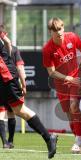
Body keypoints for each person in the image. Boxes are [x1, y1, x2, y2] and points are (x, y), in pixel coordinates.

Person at [0, 30, 57, 159]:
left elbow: (8, 42)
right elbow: (7, 43)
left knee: (20, 110)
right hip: (4, 77)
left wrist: (7, 62)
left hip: (6, 77)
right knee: (16, 110)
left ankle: (49, 138)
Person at [42, 17, 81, 154]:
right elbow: (51, 72)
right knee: (69, 115)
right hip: (61, 84)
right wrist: (66, 77)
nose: (59, 32)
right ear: (50, 32)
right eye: (56, 30)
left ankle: (77, 141)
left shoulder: (73, 37)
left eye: (61, 28)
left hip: (76, 79)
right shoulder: (47, 49)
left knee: (74, 106)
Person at [0, 45, 25, 149]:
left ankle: (5, 142)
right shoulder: (14, 49)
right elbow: (20, 67)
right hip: (12, 84)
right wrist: (23, 84)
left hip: (2, 84)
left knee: (1, 113)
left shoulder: (12, 49)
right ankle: (10, 141)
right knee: (12, 112)